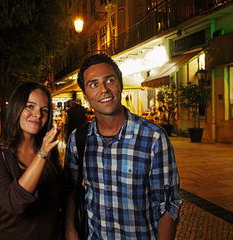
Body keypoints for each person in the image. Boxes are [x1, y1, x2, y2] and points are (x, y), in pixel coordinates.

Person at [64, 54, 182, 239]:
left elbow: (167, 205)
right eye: (93, 84)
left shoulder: (154, 138)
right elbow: (71, 189)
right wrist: (70, 231)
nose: (104, 89)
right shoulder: (78, 139)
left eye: (109, 80)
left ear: (120, 85)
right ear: (86, 96)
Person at [0, 82, 64, 239]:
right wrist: (42, 154)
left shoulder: (49, 150)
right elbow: (14, 203)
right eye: (30, 106)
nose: (38, 114)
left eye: (44, 110)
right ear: (16, 107)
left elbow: (63, 194)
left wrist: (70, 229)